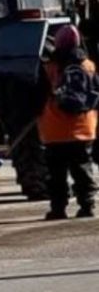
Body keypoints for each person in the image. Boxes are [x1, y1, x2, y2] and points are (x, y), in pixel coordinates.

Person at [38, 25, 98, 220]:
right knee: (82, 168)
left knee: (56, 174)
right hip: (84, 127)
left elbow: (36, 97)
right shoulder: (89, 66)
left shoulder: (48, 67)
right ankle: (87, 205)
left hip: (54, 130)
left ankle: (58, 209)